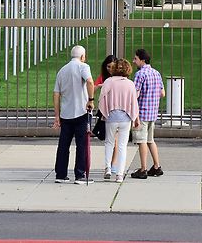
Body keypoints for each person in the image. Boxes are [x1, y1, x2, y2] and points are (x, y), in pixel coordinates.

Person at [53, 45, 95, 184]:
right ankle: (80, 174)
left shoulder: (62, 70)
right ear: (82, 56)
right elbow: (89, 81)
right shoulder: (83, 67)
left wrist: (57, 115)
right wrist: (90, 100)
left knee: (63, 145)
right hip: (81, 112)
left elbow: (56, 94)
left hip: (66, 113)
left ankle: (60, 173)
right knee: (82, 145)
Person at [98, 58, 140, 182]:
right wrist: (135, 117)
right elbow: (134, 102)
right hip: (125, 117)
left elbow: (102, 98)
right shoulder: (130, 84)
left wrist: (105, 112)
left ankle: (108, 168)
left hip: (111, 116)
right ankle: (120, 174)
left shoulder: (108, 82)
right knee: (122, 146)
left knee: (109, 143)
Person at [130, 48, 164, 179]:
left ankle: (143, 168)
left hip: (142, 113)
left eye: (135, 59)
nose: (134, 61)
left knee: (141, 141)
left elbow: (135, 93)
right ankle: (156, 166)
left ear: (142, 60)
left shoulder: (140, 74)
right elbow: (162, 93)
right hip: (153, 112)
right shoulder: (156, 73)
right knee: (150, 140)